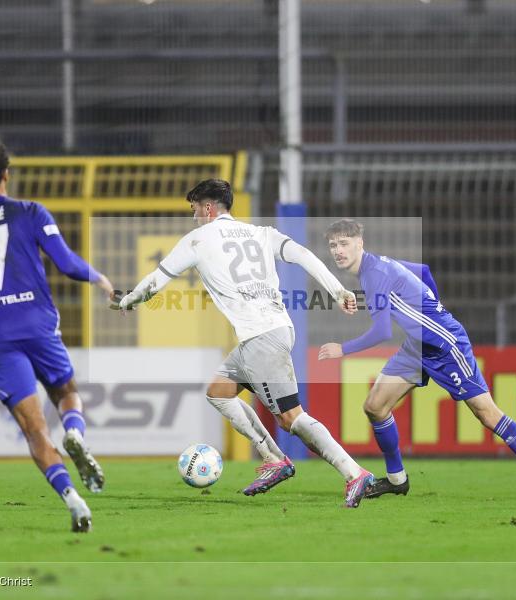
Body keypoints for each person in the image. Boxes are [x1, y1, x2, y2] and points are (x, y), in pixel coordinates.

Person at [119, 179, 376, 508]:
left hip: (260, 338)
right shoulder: (261, 233)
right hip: (276, 329)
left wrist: (129, 301)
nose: (194, 216)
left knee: (290, 418)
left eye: (195, 209)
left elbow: (156, 280)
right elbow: (303, 255)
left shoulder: (197, 239)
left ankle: (354, 473)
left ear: (208, 208)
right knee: (218, 391)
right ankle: (274, 459)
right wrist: (336, 290)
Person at [318, 219, 516, 501]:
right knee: (375, 407)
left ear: (359, 244)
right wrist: (430, 307)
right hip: (417, 346)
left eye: (344, 243)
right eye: (333, 245)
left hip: (444, 344)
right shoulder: (375, 267)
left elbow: (382, 331)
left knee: (486, 413)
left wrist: (342, 349)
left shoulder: (374, 273)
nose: (338, 250)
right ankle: (396, 480)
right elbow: (424, 271)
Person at [0, 140, 114, 532]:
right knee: (67, 393)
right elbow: (66, 263)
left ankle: (73, 499)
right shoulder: (29, 212)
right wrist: (100, 279)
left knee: (34, 430)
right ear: (6, 174)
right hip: (37, 324)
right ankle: (74, 432)